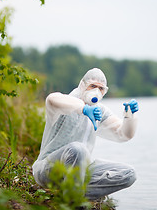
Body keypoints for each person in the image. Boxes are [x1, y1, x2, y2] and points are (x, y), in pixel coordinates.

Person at [32, 68, 139, 200]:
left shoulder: (100, 111)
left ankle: (71, 193)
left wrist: (129, 115)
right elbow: (51, 99)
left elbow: (124, 134)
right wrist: (83, 109)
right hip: (48, 169)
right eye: (92, 86)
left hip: (80, 170)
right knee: (78, 149)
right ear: (83, 85)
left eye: (100, 89)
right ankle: (74, 200)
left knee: (129, 174)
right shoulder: (65, 102)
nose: (96, 91)